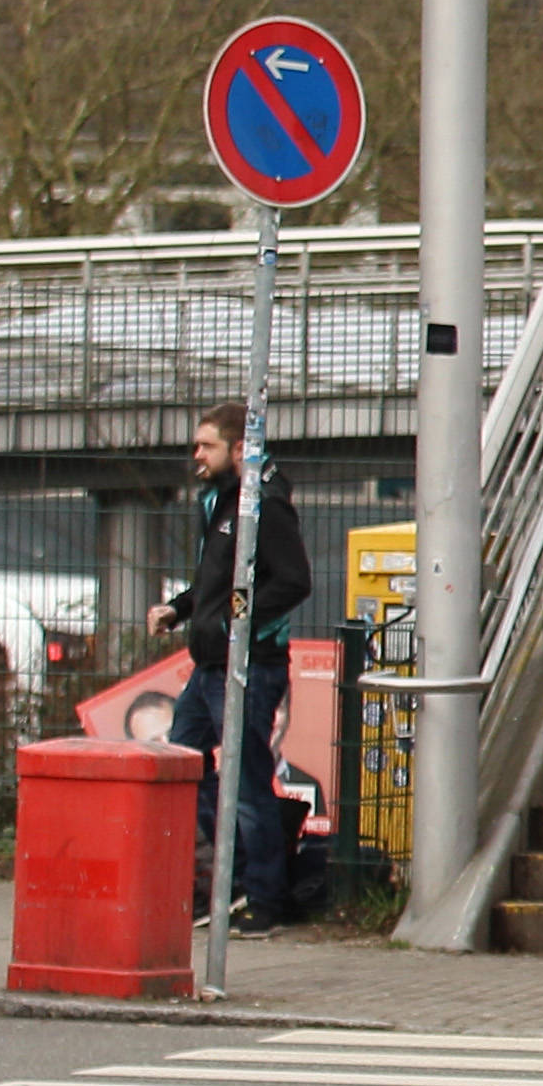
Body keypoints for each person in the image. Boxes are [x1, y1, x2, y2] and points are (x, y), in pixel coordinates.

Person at [149, 399, 306, 930]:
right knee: (185, 766)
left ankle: (265, 903)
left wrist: (237, 624)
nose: (196, 454)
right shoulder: (218, 501)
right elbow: (218, 580)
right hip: (209, 664)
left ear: (239, 448)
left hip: (249, 665)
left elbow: (292, 581)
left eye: (206, 445)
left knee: (244, 782)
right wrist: (181, 608)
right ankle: (232, 880)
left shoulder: (265, 503)